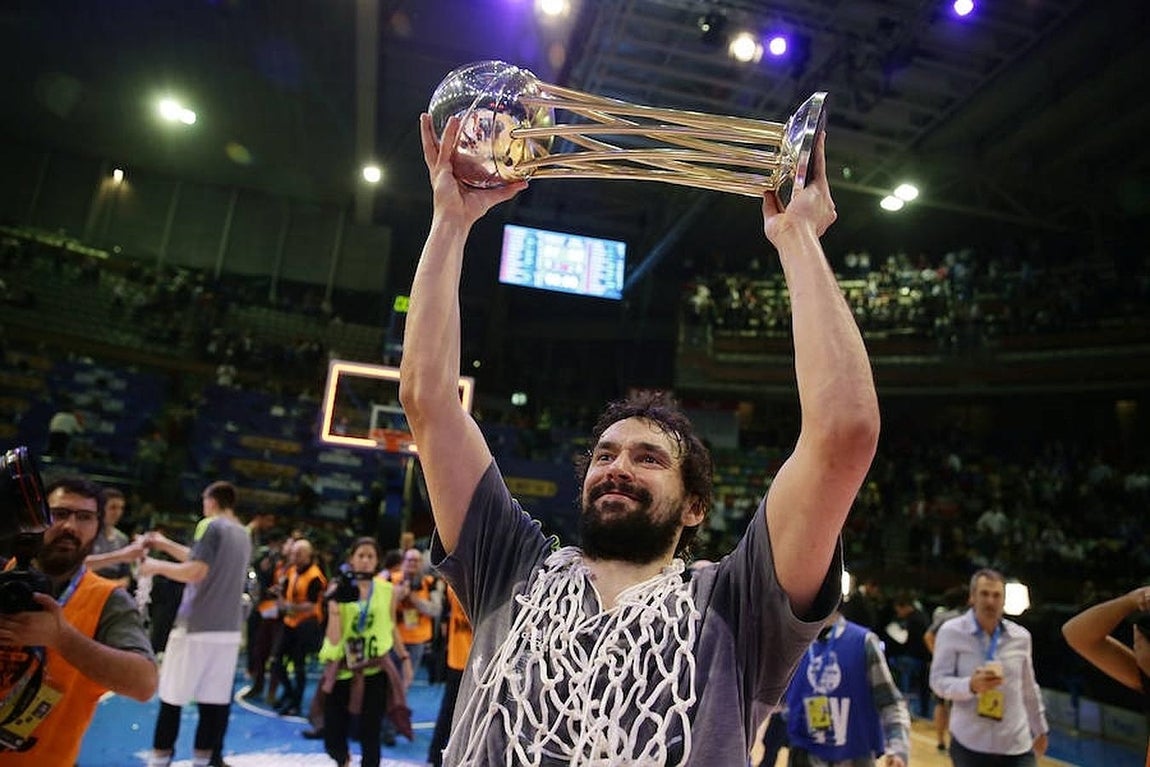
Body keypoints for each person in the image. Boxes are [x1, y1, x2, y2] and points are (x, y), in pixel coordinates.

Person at [397, 113, 880, 764]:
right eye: (605, 453)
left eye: (648, 457)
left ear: (694, 505)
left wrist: (797, 236)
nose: (618, 465)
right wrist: (451, 222)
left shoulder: (737, 605)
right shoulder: (512, 565)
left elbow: (843, 433)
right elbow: (427, 400)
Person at [0, 477, 157, 765]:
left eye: (84, 517)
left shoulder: (109, 600)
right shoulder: (3, 576)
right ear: (36, 519)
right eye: (59, 514)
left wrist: (62, 638)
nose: (70, 527)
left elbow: (144, 684)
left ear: (98, 528)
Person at [142, 481, 253, 767]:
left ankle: (159, 761)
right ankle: (202, 762)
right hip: (228, 631)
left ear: (211, 501)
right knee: (213, 704)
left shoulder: (211, 526)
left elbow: (196, 571)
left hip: (196, 627)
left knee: (172, 698)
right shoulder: (243, 533)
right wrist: (164, 545)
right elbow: (200, 558)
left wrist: (155, 566)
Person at [929, 569, 1048, 767]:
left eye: (996, 595)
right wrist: (970, 686)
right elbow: (938, 681)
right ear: (972, 597)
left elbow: (1029, 687)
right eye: (984, 594)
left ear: (1003, 600)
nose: (990, 601)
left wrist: (1041, 729)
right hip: (971, 743)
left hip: (1015, 744)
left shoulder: (1021, 637)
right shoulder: (951, 632)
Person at [318, 537, 414, 767]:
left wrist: (404, 657)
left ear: (377, 561)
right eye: (360, 555)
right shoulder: (339, 589)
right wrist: (333, 608)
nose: (365, 560)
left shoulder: (387, 590)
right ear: (351, 558)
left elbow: (391, 625)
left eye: (370, 556)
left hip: (375, 669)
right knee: (333, 733)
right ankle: (341, 758)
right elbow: (333, 637)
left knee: (371, 733)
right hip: (342, 669)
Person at [783, 610, 910, 767]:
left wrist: (898, 749)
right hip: (804, 754)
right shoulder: (794, 641)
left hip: (854, 757)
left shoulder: (863, 642)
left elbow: (891, 702)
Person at [1060, 586, 1150, 766]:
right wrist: (1131, 600)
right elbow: (1076, 634)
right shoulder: (1144, 676)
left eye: (1140, 643)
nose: (1136, 646)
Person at [271, 537, 327, 716]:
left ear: (309, 555)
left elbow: (311, 605)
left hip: (306, 625)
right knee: (276, 661)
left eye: (299, 553)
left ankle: (295, 702)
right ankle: (288, 692)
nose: (294, 556)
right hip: (289, 622)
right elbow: (287, 594)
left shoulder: (315, 576)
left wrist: (289, 606)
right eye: (293, 552)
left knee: (299, 665)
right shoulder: (292, 571)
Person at [428, 583, 474, 767]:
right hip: (467, 659)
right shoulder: (454, 586)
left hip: (462, 659)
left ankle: (435, 756)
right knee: (460, 715)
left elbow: (445, 623)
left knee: (449, 714)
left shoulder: (452, 584)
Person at [924, 585, 969, 753]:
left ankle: (942, 740)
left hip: (953, 666)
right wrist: (939, 656)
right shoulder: (957, 617)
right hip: (952, 668)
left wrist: (937, 655)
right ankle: (948, 741)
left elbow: (928, 636)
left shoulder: (943, 616)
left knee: (942, 704)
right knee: (950, 704)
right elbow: (928, 636)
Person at [390, 545, 442, 676]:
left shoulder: (432, 583)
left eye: (416, 561)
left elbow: (436, 610)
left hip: (417, 640)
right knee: (390, 681)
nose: (412, 564)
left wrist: (416, 601)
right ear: (403, 562)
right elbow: (381, 609)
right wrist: (398, 597)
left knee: (407, 680)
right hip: (393, 638)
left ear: (422, 564)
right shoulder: (389, 579)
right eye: (409, 560)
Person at [85, 486, 132, 588]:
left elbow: (126, 579)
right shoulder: (88, 533)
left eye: (121, 508)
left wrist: (108, 587)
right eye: (113, 507)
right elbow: (79, 568)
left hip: (112, 590)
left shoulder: (122, 539)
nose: (118, 513)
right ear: (101, 509)